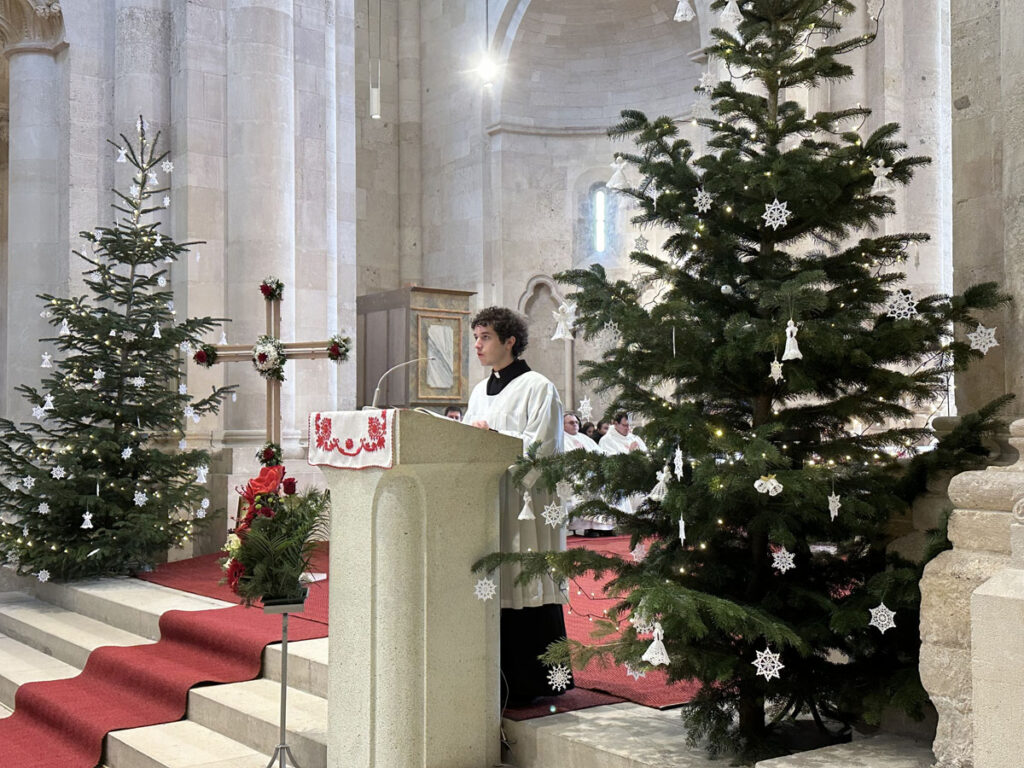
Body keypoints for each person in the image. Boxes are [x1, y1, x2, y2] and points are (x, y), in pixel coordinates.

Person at [462, 306, 572, 705]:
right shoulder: (479, 391)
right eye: (476, 337)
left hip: (524, 506)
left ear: (510, 341)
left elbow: (544, 449)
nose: (478, 345)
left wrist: (493, 437)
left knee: (525, 582)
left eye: (486, 337)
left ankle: (533, 684)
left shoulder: (538, 387)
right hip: (491, 501)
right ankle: (494, 680)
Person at [562, 413, 614, 537]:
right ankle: (588, 527)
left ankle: (604, 525)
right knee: (586, 484)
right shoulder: (561, 438)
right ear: (562, 425)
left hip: (592, 470)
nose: (575, 425)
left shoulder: (584, 438)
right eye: (571, 422)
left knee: (604, 482)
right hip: (574, 473)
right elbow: (565, 459)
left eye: (576, 422)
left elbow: (600, 452)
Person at [599, 411, 648, 515]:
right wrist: (630, 452)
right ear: (615, 424)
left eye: (629, 425)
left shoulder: (634, 438)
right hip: (620, 481)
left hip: (640, 478)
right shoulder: (606, 440)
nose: (627, 428)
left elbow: (646, 455)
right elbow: (611, 463)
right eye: (624, 425)